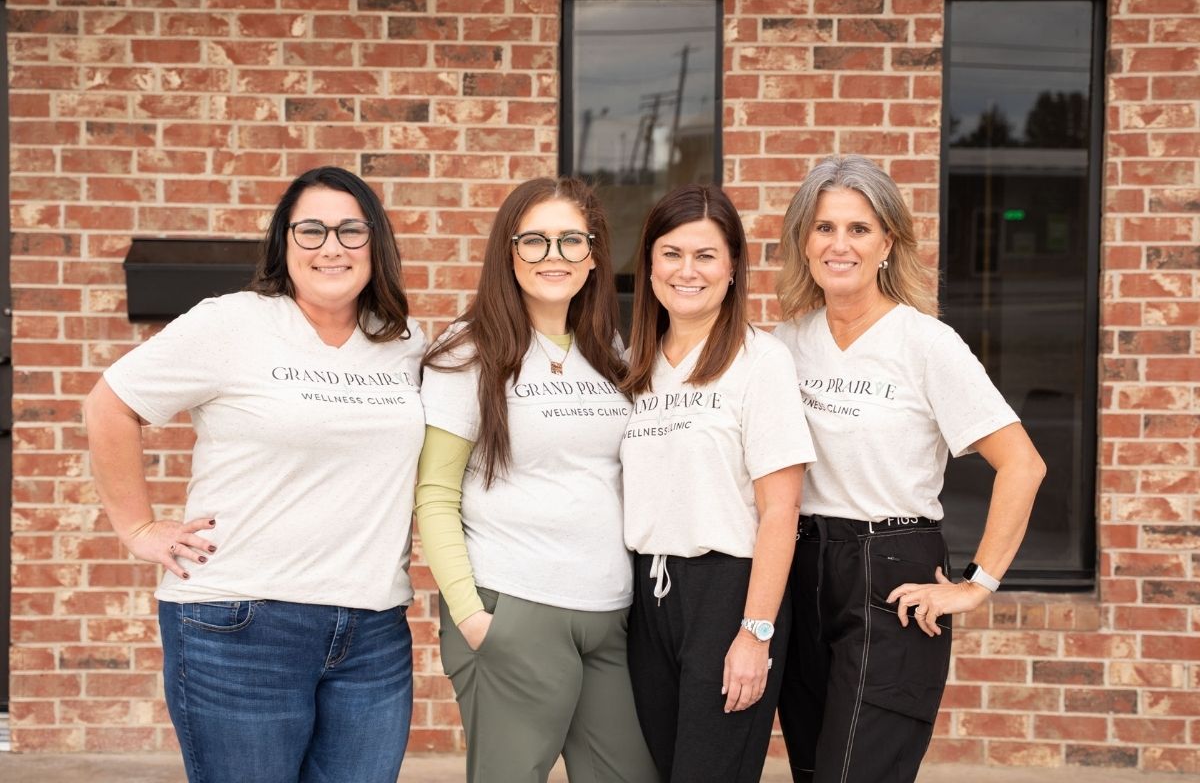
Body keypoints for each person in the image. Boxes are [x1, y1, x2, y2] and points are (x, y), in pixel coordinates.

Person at [84, 167, 424, 783]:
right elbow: (111, 404)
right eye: (311, 230)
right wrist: (138, 527)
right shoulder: (233, 322)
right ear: (283, 243)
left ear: (376, 242)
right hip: (240, 626)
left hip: (372, 633)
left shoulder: (404, 342)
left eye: (352, 230)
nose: (332, 246)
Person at [772, 154, 1046, 783]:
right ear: (804, 242)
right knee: (815, 769)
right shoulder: (783, 345)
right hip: (800, 565)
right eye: (823, 227)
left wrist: (978, 585)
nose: (839, 244)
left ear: (887, 242)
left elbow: (1023, 465)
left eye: (859, 228)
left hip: (890, 572)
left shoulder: (926, 343)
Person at [416, 177, 658, 783]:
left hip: (610, 614)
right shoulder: (467, 352)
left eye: (571, 241)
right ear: (509, 252)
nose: (554, 257)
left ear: (595, 253)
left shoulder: (612, 352)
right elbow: (436, 494)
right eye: (535, 242)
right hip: (515, 607)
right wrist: (474, 618)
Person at [620, 184, 816, 782]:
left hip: (727, 592)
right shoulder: (634, 363)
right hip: (647, 595)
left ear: (732, 268)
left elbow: (781, 510)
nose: (688, 270)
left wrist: (755, 633)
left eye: (706, 255)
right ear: (649, 265)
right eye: (672, 253)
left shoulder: (761, 361)